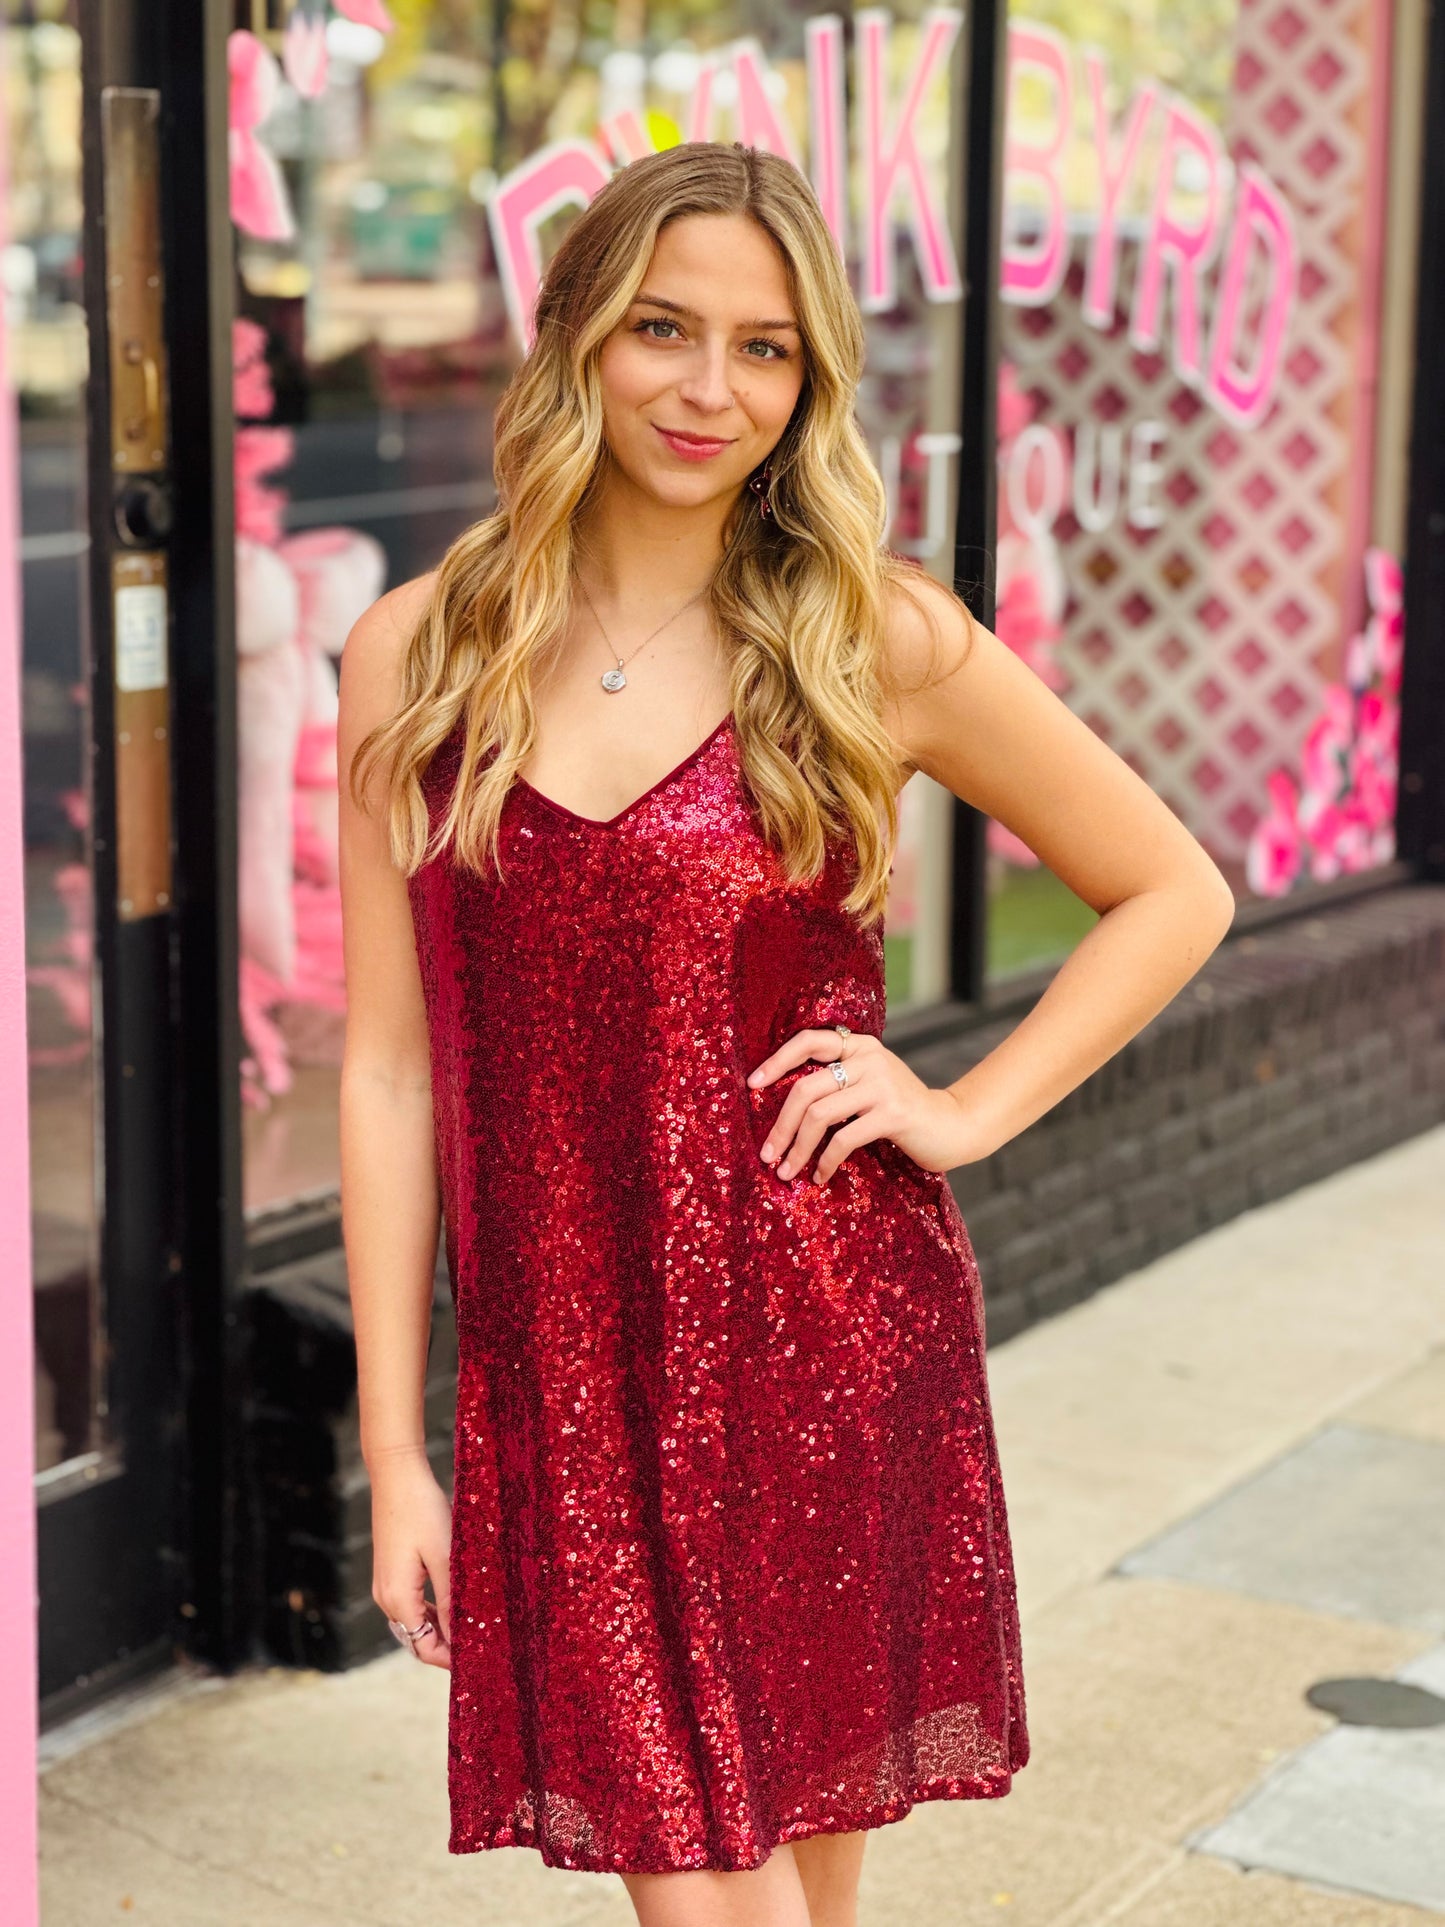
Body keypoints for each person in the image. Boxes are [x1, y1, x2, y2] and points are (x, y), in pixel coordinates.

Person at [336, 141, 1235, 1927]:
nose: (708, 388)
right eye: (665, 327)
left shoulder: (871, 640)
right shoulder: (415, 653)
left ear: (810, 381)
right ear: (578, 333)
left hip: (819, 1333)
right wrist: (391, 1448)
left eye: (765, 350)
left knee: (772, 1895)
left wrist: (964, 1108)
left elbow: (1170, 889)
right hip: (572, 1375)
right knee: (736, 1891)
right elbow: (383, 1063)